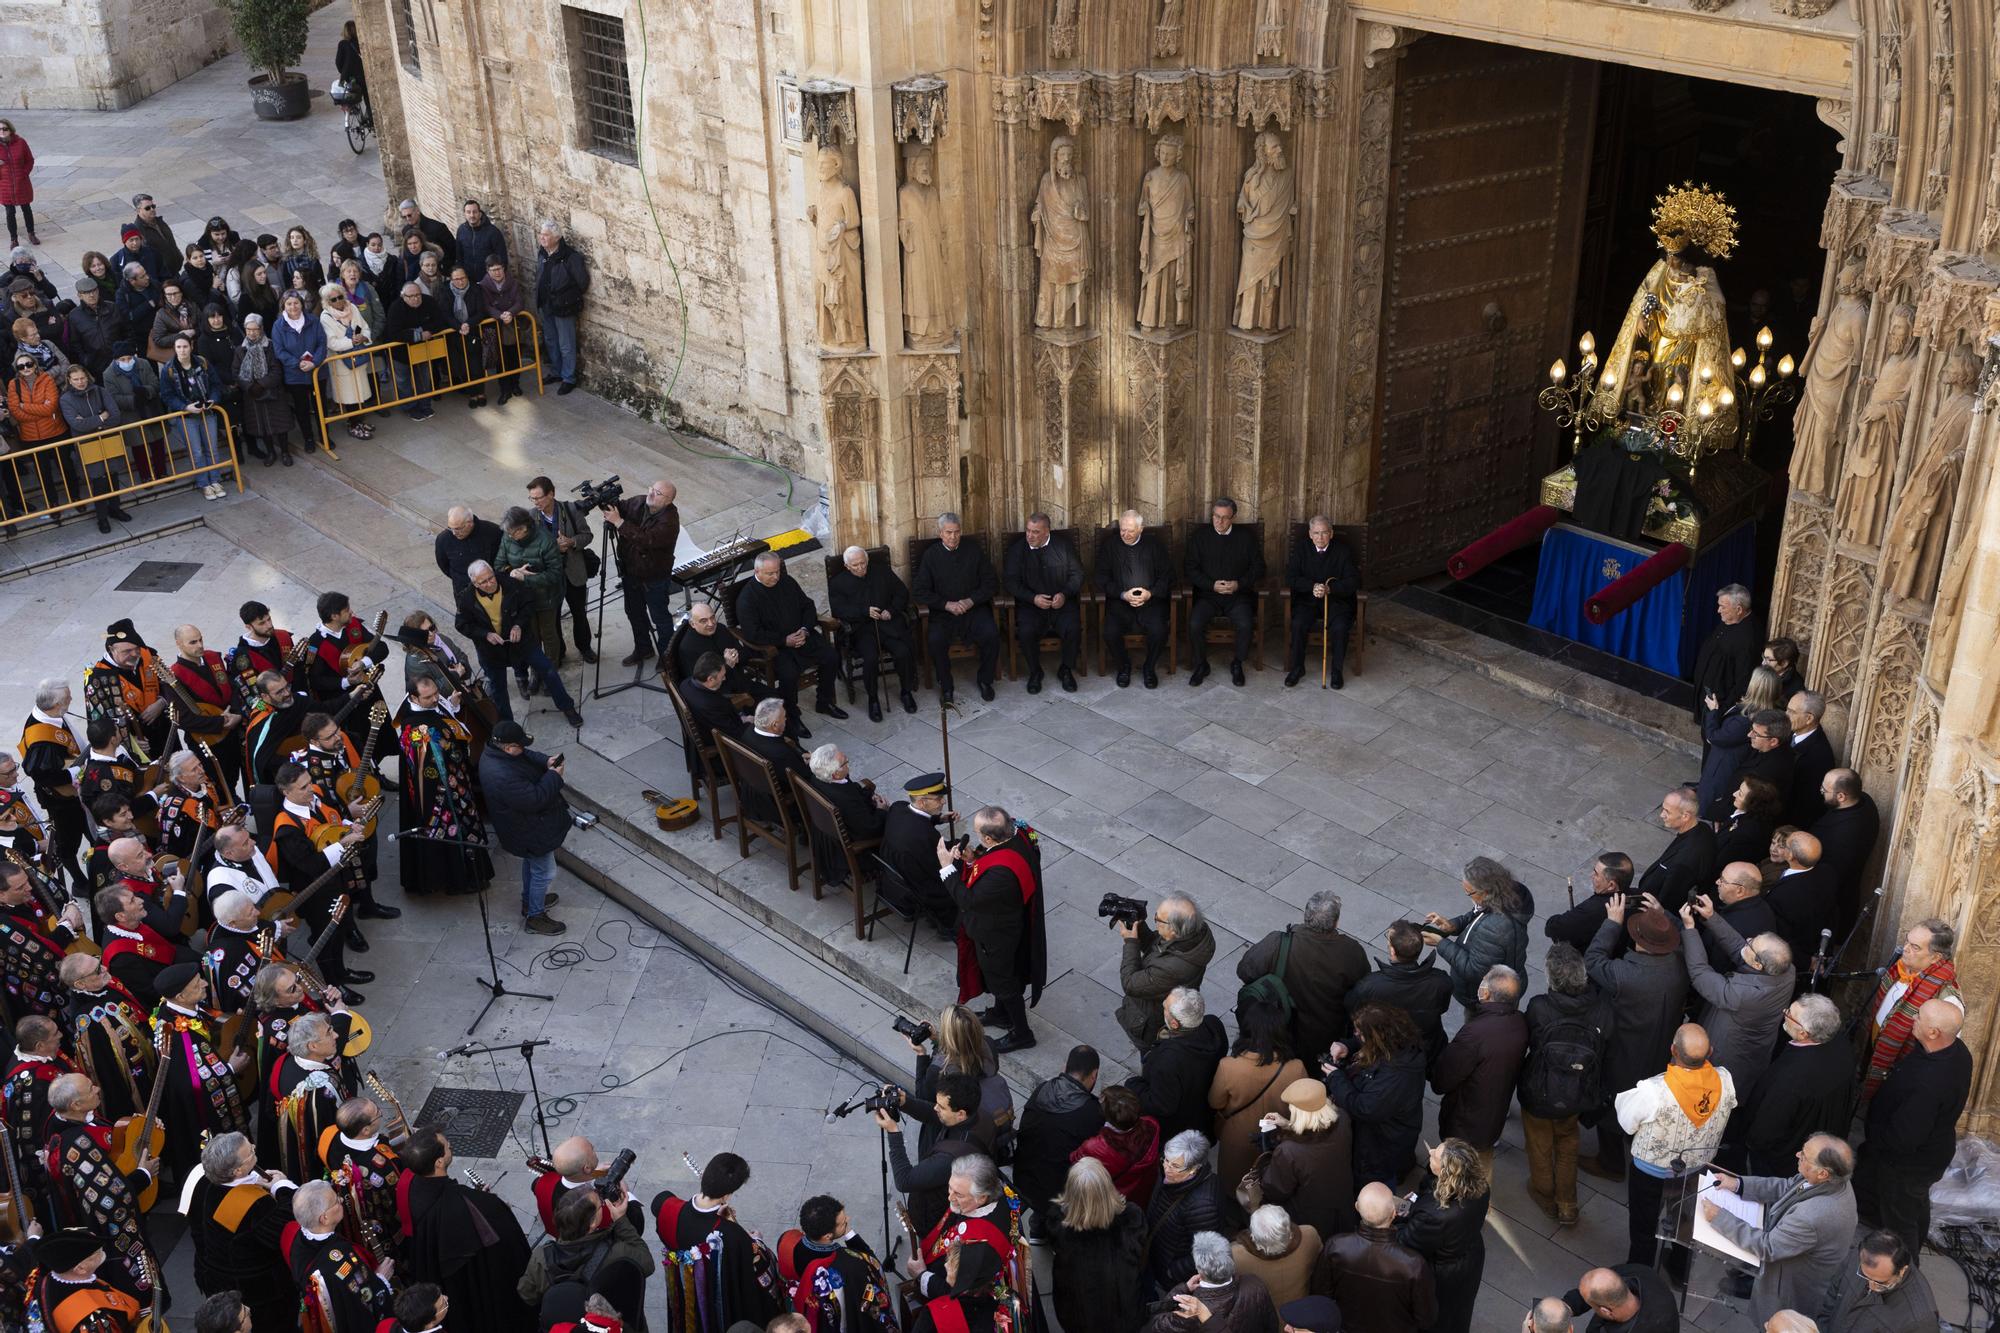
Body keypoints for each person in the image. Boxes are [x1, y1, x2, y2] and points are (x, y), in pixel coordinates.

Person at [1614, 1023, 1736, 1279]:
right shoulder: (1724, 1079)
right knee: (1685, 1222)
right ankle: (1679, 1270)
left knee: (1643, 1226)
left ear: (1673, 1050)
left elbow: (1626, 1122)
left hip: (1651, 1173)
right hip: (1697, 1169)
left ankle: (1640, 1275)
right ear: (1710, 1052)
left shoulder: (1654, 1090)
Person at [1852, 997, 1972, 1254]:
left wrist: (1879, 1143)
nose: (1913, 1019)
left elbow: (1905, 1138)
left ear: (1933, 1032)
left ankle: (1904, 1271)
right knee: (1913, 1205)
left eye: (1919, 1016)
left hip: (1907, 1165)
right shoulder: (1955, 1050)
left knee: (1901, 1219)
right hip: (1926, 1153)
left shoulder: (1929, 1085)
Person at [1581, 896, 1688, 1180]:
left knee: (1613, 1105)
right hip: (1661, 1049)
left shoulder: (1626, 973)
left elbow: (1592, 960)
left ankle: (1611, 1163)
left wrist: (1612, 923)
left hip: (1623, 1052)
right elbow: (1687, 938)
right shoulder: (1678, 963)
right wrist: (1663, 916)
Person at [1701, 1136, 1858, 1326]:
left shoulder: (1812, 1216)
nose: (1797, 1154)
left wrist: (1720, 1217)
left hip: (1789, 1286)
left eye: (1804, 1156)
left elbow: (1767, 1246)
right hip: (1791, 1267)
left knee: (1774, 1323)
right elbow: (1788, 1186)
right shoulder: (1833, 1180)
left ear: (1823, 1173)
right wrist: (1738, 1184)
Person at [397, 1129, 535, 1333]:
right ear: (439, 1162)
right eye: (446, 1146)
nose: (450, 1145)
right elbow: (510, 1247)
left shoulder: (409, 1186)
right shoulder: (474, 1205)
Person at [938, 806, 1047, 1054]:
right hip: (1008, 924)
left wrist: (947, 867)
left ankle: (1022, 1033)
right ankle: (1000, 1014)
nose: (977, 838)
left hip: (997, 936)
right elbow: (985, 866)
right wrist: (971, 860)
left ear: (989, 838)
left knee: (1004, 983)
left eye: (978, 834)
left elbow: (969, 900)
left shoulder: (1000, 875)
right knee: (1001, 979)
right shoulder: (1017, 839)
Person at [40, 1074, 157, 1292]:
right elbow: (110, 1197)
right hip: (107, 1242)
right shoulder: (77, 1144)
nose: (97, 1088)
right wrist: (144, 1174)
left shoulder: (63, 1124)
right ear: (76, 1104)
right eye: (90, 1088)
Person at [1517, 944, 1607, 1225]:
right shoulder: (1600, 1009)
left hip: (1540, 1091)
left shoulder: (1539, 1007)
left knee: (1539, 1143)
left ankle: (1544, 1194)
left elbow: (1530, 1041)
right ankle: (1568, 1203)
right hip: (1578, 1090)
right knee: (1568, 1140)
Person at [653, 1152, 785, 1333]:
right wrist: (756, 1239)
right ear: (727, 1195)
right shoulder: (731, 1234)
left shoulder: (667, 1207)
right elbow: (759, 1262)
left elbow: (658, 1204)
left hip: (684, 1289)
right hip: (717, 1299)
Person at [1237, 891, 1369, 1066]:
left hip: (1284, 1029)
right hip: (1328, 1034)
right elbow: (1364, 991)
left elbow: (1245, 971)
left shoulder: (1278, 943)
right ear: (1336, 921)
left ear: (1306, 916)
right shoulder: (1352, 952)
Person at [393, 672, 494, 895]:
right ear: (414, 698)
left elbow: (446, 724)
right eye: (428, 697)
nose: (435, 700)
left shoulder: (432, 708)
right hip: (439, 794)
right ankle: (457, 879)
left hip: (456, 781)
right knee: (449, 832)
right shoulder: (414, 730)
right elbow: (426, 769)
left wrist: (454, 707)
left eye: (437, 694)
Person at [455, 560, 584, 726]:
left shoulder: (510, 583)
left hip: (522, 641)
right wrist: (485, 634)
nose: (489, 583)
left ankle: (567, 706)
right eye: (483, 582)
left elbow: (528, 604)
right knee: (498, 688)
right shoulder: (466, 598)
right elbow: (462, 624)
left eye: (491, 578)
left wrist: (518, 625)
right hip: (491, 650)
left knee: (548, 669)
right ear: (474, 583)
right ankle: (508, 727)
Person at [476, 719, 571, 934]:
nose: (523, 748)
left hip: (523, 828)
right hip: (528, 830)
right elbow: (535, 799)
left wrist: (547, 761)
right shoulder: (502, 775)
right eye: (520, 745)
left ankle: (530, 901)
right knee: (545, 871)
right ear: (509, 747)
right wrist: (554, 776)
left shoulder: (496, 752)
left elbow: (527, 756)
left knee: (533, 864)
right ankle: (535, 916)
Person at [1430, 966, 1528, 1170]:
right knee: (1483, 1167)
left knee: (1456, 1173)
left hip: (1466, 1121)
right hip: (1493, 1116)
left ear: (1485, 993)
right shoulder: (1519, 1022)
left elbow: (1443, 1079)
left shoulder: (1475, 1034)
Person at [734, 552, 849, 725]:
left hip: (802, 637)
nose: (776, 577)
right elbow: (752, 633)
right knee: (789, 675)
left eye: (777, 571)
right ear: (757, 572)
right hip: (776, 646)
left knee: (831, 656)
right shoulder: (747, 598)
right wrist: (784, 640)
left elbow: (807, 606)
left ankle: (824, 702)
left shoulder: (786, 582)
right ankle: (792, 715)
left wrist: (805, 629)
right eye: (770, 573)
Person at [518, 1185, 652, 1329]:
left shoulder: (541, 1256)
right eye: (600, 1204)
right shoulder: (615, 1252)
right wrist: (620, 1220)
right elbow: (647, 1263)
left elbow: (527, 1294)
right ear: (592, 1223)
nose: (603, 1203)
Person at [1310, 1182, 1434, 1333]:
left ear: (1357, 1207)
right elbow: (1426, 1318)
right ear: (1394, 1213)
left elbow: (1321, 1293)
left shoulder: (1335, 1246)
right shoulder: (1413, 1264)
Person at [1210, 998, 1304, 1189]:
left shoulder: (1229, 1066)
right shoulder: (1296, 1068)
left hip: (1237, 1138)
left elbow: (1215, 1102)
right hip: (1277, 1138)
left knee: (1232, 1187)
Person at [1395, 1140, 1488, 1333]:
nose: (1431, 1153)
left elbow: (1405, 1241)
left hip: (1444, 1274)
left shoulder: (1434, 1215)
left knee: (1437, 1317)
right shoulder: (1481, 1186)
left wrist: (1397, 1218)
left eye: (1435, 1156)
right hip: (1470, 1256)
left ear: (1447, 1173)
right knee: (1459, 1312)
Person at [1862, 917, 1959, 1102]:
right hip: (1877, 1057)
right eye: (1907, 940)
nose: (1905, 948)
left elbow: (1940, 1056)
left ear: (1936, 957)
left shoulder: (1946, 998)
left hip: (1902, 1081)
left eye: (1915, 947)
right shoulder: (1900, 970)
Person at [1044, 1158, 1145, 1333]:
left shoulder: (1058, 1223)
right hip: (1123, 1313)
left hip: (1077, 1313)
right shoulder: (1132, 1219)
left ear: (1071, 1190)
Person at [1250, 1078, 1355, 1241]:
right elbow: (1318, 1133)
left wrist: (1265, 1169)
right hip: (1342, 1204)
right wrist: (1289, 1124)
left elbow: (1275, 1190)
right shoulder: (1343, 1119)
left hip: (1310, 1216)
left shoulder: (1289, 1151)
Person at [912, 513, 1001, 703]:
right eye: (948, 532)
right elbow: (919, 591)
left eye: (957, 532)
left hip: (973, 609)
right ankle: (946, 686)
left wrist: (970, 601)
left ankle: (985, 680)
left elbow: (991, 582)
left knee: (991, 634)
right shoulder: (931, 555)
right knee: (935, 640)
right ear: (940, 533)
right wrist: (946, 604)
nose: (953, 537)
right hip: (943, 613)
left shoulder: (973, 550)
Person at [1422, 858, 1530, 1013]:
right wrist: (1452, 926)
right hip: (1507, 983)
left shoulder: (1494, 929)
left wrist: (1441, 943)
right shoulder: (1506, 896)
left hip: (1485, 998)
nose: (1469, 897)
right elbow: (1477, 914)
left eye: (1469, 893)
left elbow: (1474, 970)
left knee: (1480, 1030)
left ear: (1485, 892)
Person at [1013, 1045, 1103, 1229]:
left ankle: (1037, 1227)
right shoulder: (1092, 1112)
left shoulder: (1042, 1090)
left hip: (1023, 1177)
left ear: (1065, 1067)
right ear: (1094, 1075)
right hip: (1059, 1193)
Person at [1343, 921, 1454, 1068]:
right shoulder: (1441, 980)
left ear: (1393, 951)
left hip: (1389, 1051)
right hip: (1428, 1046)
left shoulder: (1370, 986)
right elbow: (1442, 1007)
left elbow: (1351, 1006)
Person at [825, 545, 917, 721]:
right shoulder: (838, 583)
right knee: (870, 658)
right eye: (855, 566)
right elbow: (839, 610)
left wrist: (891, 610)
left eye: (863, 564)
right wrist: (863, 611)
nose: (860, 568)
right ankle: (873, 699)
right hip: (862, 630)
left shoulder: (882, 572)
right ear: (847, 566)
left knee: (903, 652)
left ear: (867, 561)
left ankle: (906, 691)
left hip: (888, 624)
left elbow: (901, 593)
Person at [1117, 893, 1215, 1055]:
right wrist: (1139, 927)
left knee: (1151, 1057)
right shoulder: (1196, 932)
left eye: (1158, 920)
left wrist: (1130, 943)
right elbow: (1156, 946)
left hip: (1152, 1021)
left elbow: (1130, 984)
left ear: (1175, 931)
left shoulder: (1171, 969)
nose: (1154, 921)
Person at [784, 1194, 896, 1333]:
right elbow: (873, 1265)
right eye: (843, 1223)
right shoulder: (851, 1264)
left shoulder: (790, 1244)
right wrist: (850, 1235)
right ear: (827, 1236)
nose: (848, 1220)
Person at [1129, 987, 1228, 1143]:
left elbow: (1161, 1105)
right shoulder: (1213, 1025)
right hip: (1202, 1112)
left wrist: (1134, 1086)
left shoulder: (1168, 1061)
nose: (1162, 1005)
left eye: (1165, 1008)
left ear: (1174, 1024)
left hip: (1178, 1128)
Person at [1184, 497, 1264, 687]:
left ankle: (1237, 663)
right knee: (1195, 623)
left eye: (1224, 518)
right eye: (1216, 516)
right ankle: (1201, 664)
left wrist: (1238, 584)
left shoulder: (1245, 537)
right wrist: (1211, 585)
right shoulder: (1200, 537)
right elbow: (1189, 568)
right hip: (1208, 595)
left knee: (1245, 624)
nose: (1219, 521)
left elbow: (1259, 567)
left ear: (1233, 518)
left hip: (1238, 597)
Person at [602, 479, 680, 666]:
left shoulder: (669, 521)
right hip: (631, 572)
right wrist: (602, 501)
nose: (651, 494)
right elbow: (618, 508)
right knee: (634, 613)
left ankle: (667, 656)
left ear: (668, 500)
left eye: (658, 493)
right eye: (651, 489)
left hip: (654, 577)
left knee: (660, 618)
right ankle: (643, 649)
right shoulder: (639, 502)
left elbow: (647, 540)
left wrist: (619, 523)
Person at [1004, 513, 1084, 693]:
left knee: (1073, 628)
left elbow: (1077, 574)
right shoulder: (1018, 550)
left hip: (1061, 604)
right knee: (1026, 631)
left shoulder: (1063, 546)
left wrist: (1064, 594)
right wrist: (1032, 598)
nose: (1029, 536)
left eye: (1035, 532)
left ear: (1047, 532)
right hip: (1031, 605)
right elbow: (1010, 581)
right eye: (1028, 531)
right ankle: (1035, 671)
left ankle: (1066, 669)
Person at [1143, 1131, 1229, 1295]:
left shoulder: (1203, 1206)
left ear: (1194, 1169)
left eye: (1175, 1166)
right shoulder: (1171, 1176)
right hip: (1158, 1252)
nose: (1166, 1168)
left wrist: (1172, 1271)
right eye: (1166, 1160)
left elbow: (1205, 1252)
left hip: (1169, 1272)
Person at [1141, 1232, 1278, 1333]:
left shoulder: (1188, 1311)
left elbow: (1153, 1326)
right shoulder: (1255, 1283)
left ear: (1199, 1270)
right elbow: (1271, 1325)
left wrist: (1182, 1290)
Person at [525, 476, 598, 665]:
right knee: (552, 617)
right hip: (549, 577)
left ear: (551, 494)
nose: (536, 502)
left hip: (573, 572)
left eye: (539, 497)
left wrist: (572, 542)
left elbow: (587, 535)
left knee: (579, 613)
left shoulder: (571, 510)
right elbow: (528, 549)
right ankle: (558, 652)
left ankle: (585, 647)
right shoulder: (531, 517)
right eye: (532, 498)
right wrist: (552, 548)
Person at [1097, 509, 1173, 688]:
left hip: (1150, 602)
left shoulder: (1154, 545)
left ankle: (1149, 667)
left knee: (1159, 630)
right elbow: (1101, 577)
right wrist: (1122, 594)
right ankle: (1124, 666)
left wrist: (1150, 593)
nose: (1126, 534)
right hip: (1120, 601)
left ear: (1141, 529)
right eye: (1123, 529)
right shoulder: (1110, 545)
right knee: (1109, 632)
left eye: (1130, 530)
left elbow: (1168, 576)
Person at [1283, 517, 1358, 688]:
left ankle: (1336, 671)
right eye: (1316, 533)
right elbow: (1291, 578)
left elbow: (1353, 581)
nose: (1320, 537)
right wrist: (1312, 586)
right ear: (1310, 534)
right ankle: (1297, 667)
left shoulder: (1343, 551)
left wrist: (1330, 589)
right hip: (1307, 600)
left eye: (1324, 533)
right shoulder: (1302, 549)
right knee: (1298, 624)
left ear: (1331, 534)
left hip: (1336, 602)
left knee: (1340, 627)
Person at [1816, 1230, 1939, 1333]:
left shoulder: (1919, 1321)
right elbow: (1831, 1298)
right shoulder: (1860, 1257)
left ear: (1902, 1270)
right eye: (1864, 1275)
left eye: (1881, 1282)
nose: (1871, 1286)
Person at [1810, 769, 1880, 936]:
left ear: (1841, 797)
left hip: (1831, 904)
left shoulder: (1845, 835)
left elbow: (1830, 876)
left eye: (1824, 791)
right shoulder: (1863, 800)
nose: (1821, 793)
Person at [1072, 1083, 1163, 1208]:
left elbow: (1075, 1159)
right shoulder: (1152, 1124)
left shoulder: (1096, 1147)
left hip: (1114, 1196)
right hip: (1143, 1188)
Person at [1692, 583, 1762, 726]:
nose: (1718, 611)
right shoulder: (1731, 619)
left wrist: (1721, 711)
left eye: (1723, 607)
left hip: (1718, 704)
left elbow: (1742, 681)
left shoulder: (1748, 639)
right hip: (1706, 695)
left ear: (1739, 609)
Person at [534, 220, 589, 392]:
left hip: (563, 307)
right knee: (551, 340)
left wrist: (565, 296)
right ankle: (557, 371)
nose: (542, 238)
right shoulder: (543, 253)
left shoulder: (571, 257)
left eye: (546, 235)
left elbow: (582, 282)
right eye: (541, 234)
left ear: (557, 238)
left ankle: (569, 377)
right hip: (546, 305)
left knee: (566, 343)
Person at [1230, 1204, 1319, 1309]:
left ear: (1253, 1236)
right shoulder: (1309, 1236)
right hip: (1299, 1313)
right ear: (1288, 1227)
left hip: (1264, 1318)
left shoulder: (1236, 1256)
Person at [271, 290, 327, 441]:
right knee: (301, 409)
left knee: (320, 406)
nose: (293, 307)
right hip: (295, 375)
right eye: (289, 304)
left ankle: (324, 436)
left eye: (296, 303)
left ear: (302, 304)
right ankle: (308, 438)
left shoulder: (313, 320)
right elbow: (279, 351)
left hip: (317, 372)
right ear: (284, 306)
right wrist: (298, 363)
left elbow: (322, 343)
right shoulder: (278, 326)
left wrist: (314, 362)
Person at [1561, 1265, 1677, 1333]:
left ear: (1605, 1311)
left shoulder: (1652, 1327)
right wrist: (1564, 1308)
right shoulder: (1639, 1272)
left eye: (1590, 1304)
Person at [480, 257, 528, 404]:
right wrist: (499, 315)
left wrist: (510, 313)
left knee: (514, 354)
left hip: (511, 325)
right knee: (501, 359)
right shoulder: (483, 286)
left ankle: (515, 384)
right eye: (494, 270)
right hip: (495, 326)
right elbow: (486, 306)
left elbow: (519, 301)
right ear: (488, 271)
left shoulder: (512, 282)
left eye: (500, 268)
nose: (498, 272)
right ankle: (505, 389)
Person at [1786, 691, 1835, 827]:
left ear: (1809, 719)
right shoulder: (1791, 733)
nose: (1786, 715)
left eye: (1791, 712)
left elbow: (1805, 803)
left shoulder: (1819, 756)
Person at [455, 201, 507, 290]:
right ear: (464, 214)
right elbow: (459, 256)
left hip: (489, 282)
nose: (472, 215)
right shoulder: (461, 230)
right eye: (468, 212)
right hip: (469, 282)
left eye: (474, 212)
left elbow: (502, 258)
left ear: (480, 213)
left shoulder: (493, 232)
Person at [0, 121, 35, 248]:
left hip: (22, 183)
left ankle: (31, 233)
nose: (2, 131)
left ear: (10, 129)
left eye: (5, 128)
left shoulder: (21, 143)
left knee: (26, 209)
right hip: (4, 185)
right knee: (10, 212)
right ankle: (13, 239)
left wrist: (24, 173)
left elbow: (30, 160)